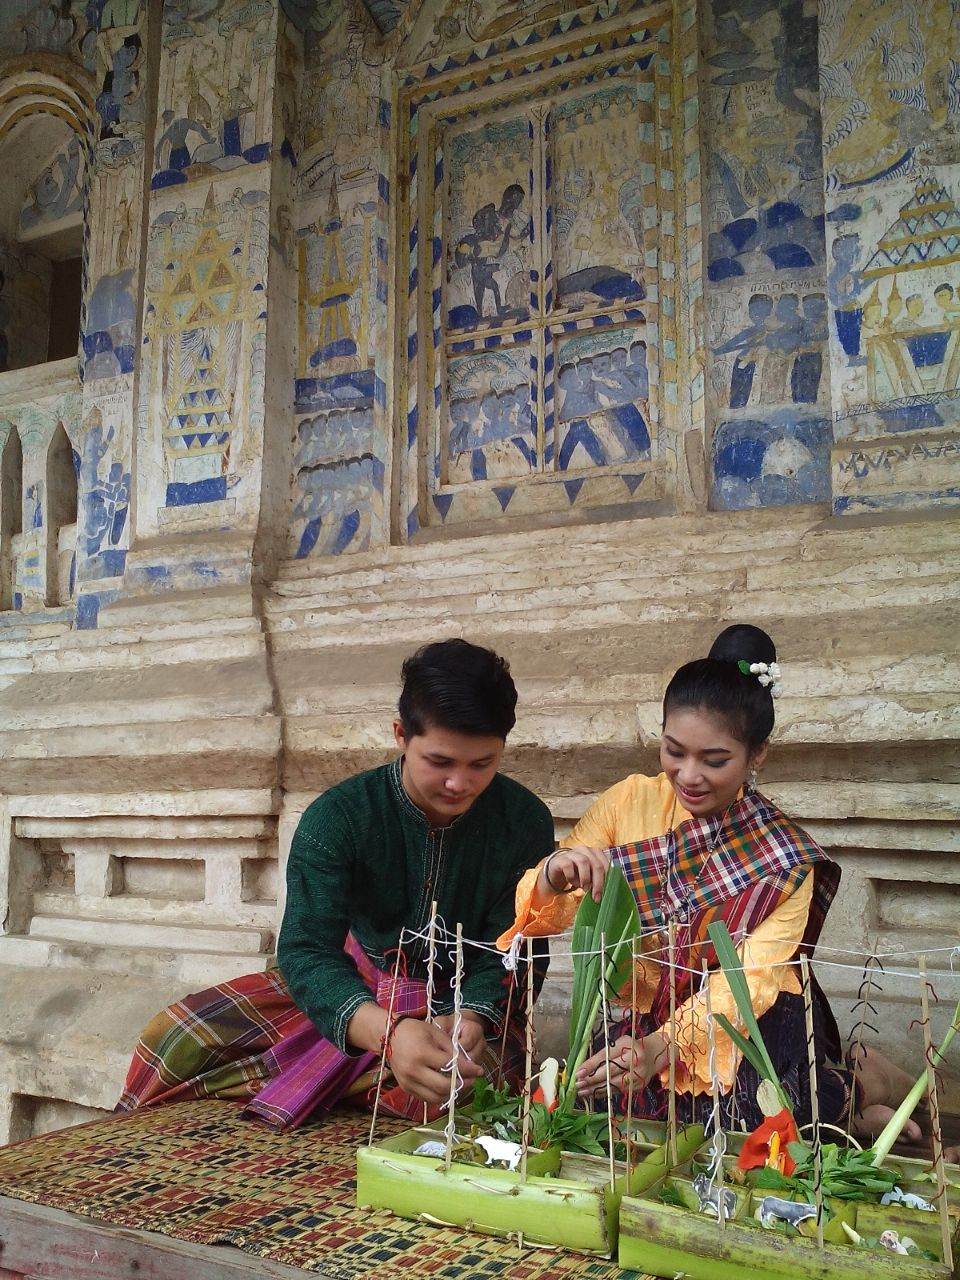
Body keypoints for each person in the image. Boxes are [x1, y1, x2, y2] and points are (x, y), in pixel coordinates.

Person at [498, 624, 920, 1142]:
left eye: (714, 760)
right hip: (641, 1017)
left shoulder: (782, 857)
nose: (689, 775)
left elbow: (748, 981)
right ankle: (853, 1111)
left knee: (759, 1130)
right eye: (674, 751)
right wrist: (553, 876)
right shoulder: (629, 802)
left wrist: (661, 1047)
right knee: (603, 1119)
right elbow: (551, 913)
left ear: (756, 754)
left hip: (742, 1013)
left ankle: (862, 1081)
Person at [118, 639, 555, 1128]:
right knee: (175, 1037)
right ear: (400, 736)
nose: (460, 783)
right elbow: (306, 950)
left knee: (451, 1096)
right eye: (440, 761)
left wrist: (473, 1017)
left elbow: (519, 945)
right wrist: (387, 1034)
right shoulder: (339, 818)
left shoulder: (524, 822)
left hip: (461, 1018)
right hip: (355, 995)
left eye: (482, 764)